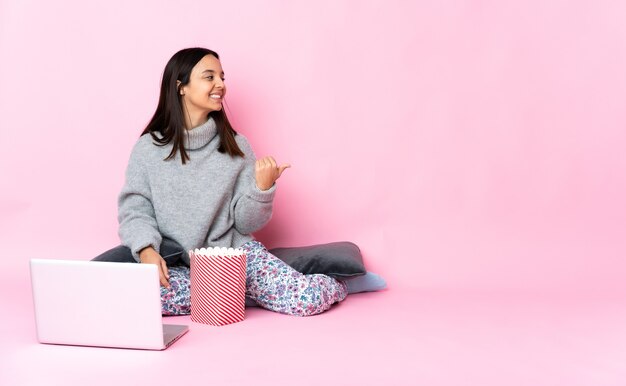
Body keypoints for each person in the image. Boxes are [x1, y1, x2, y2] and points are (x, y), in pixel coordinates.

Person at [92, 47, 347, 317]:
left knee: (306, 300)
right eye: (209, 77)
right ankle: (236, 294)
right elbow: (135, 210)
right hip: (183, 265)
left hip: (234, 256)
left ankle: (341, 283)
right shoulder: (148, 149)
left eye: (222, 77)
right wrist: (145, 250)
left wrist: (261, 189)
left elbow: (246, 223)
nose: (221, 85)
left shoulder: (236, 147)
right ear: (181, 87)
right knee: (134, 298)